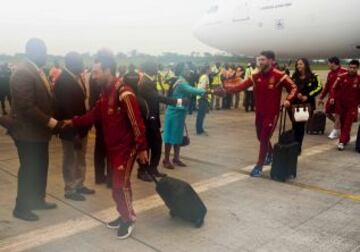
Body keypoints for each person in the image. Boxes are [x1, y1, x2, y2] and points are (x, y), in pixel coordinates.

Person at [63, 50, 148, 239]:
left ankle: (129, 219)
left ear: (108, 70)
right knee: (116, 186)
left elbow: (137, 123)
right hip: (114, 148)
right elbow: (94, 114)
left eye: (96, 72)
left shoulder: (124, 93)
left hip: (127, 148)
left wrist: (142, 148)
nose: (93, 76)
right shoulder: (105, 93)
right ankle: (123, 214)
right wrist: (73, 121)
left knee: (120, 185)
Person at [221, 51, 297, 177]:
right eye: (259, 60)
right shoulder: (255, 76)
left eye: (263, 59)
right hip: (259, 113)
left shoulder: (280, 75)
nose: (260, 62)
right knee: (260, 137)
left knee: (264, 138)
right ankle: (271, 154)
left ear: (271, 61)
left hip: (272, 114)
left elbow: (293, 87)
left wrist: (288, 100)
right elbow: (240, 87)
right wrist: (225, 87)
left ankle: (259, 165)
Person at [10, 38, 60, 221]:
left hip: (39, 133)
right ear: (32, 52)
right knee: (29, 169)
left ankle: (37, 200)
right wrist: (51, 122)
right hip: (28, 133)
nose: (46, 55)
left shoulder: (34, 70)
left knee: (40, 167)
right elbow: (27, 107)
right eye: (43, 51)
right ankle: (21, 207)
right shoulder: (23, 72)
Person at [54, 52, 95, 201]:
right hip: (70, 129)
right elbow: (66, 109)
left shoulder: (77, 78)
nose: (83, 65)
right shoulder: (63, 81)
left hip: (81, 126)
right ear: (72, 64)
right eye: (80, 62)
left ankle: (79, 184)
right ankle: (70, 189)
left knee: (80, 158)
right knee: (70, 159)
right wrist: (75, 132)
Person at [137, 62, 188, 180]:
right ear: (150, 68)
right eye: (155, 66)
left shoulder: (148, 80)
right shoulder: (145, 83)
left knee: (155, 145)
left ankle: (152, 169)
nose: (157, 68)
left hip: (152, 118)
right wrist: (179, 102)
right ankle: (143, 171)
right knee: (149, 145)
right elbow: (159, 98)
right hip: (149, 119)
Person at [162, 62, 206, 169]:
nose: (189, 71)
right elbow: (193, 90)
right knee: (169, 136)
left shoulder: (183, 80)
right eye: (186, 69)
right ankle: (166, 159)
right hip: (173, 113)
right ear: (181, 70)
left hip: (180, 113)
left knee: (178, 136)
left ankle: (176, 158)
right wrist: (209, 91)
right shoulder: (181, 82)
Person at [291, 58, 322, 154]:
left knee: (300, 126)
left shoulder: (314, 76)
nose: (298, 66)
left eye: (301, 64)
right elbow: (290, 87)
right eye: (297, 64)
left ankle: (298, 146)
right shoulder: (294, 76)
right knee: (295, 126)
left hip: (306, 105)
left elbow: (319, 87)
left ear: (306, 65)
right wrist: (297, 94)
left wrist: (308, 96)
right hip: (295, 104)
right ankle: (294, 145)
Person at [330, 60, 360, 150]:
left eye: (354, 68)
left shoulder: (359, 79)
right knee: (342, 124)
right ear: (348, 67)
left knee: (347, 124)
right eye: (350, 67)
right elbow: (333, 88)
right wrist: (332, 97)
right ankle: (346, 139)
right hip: (341, 105)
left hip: (352, 106)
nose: (351, 69)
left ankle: (341, 142)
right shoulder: (341, 77)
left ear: (357, 69)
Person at [89, 73, 112, 187]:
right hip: (105, 118)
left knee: (99, 149)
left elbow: (91, 100)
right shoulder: (106, 81)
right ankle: (110, 179)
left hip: (98, 118)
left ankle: (99, 177)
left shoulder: (93, 79)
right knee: (109, 150)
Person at [318, 57, 347, 140]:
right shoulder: (330, 73)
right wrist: (321, 97)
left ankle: (335, 130)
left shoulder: (344, 72)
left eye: (328, 63)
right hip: (332, 97)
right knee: (327, 113)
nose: (328, 64)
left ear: (333, 63)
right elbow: (327, 86)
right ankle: (340, 126)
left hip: (340, 98)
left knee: (338, 114)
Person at [196, 65, 211, 135]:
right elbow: (202, 88)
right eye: (210, 69)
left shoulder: (205, 76)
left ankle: (200, 129)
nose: (211, 71)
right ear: (207, 70)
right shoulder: (204, 77)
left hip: (203, 97)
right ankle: (199, 130)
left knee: (202, 115)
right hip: (202, 98)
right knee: (201, 115)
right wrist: (205, 96)